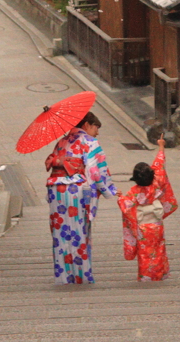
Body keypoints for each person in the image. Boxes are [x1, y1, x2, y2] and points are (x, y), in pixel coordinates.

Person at [45, 111, 117, 284]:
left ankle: (63, 277)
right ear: (86, 125)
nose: (97, 132)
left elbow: (55, 163)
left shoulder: (61, 142)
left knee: (61, 235)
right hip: (76, 190)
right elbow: (95, 171)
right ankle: (81, 276)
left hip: (56, 190)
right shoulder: (90, 142)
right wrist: (109, 190)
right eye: (95, 128)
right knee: (79, 232)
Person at [117, 136, 177, 281]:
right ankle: (161, 274)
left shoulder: (135, 192)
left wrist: (120, 196)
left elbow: (126, 206)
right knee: (159, 250)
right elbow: (160, 163)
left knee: (145, 253)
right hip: (157, 225)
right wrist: (161, 146)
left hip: (143, 227)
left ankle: (146, 277)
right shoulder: (157, 183)